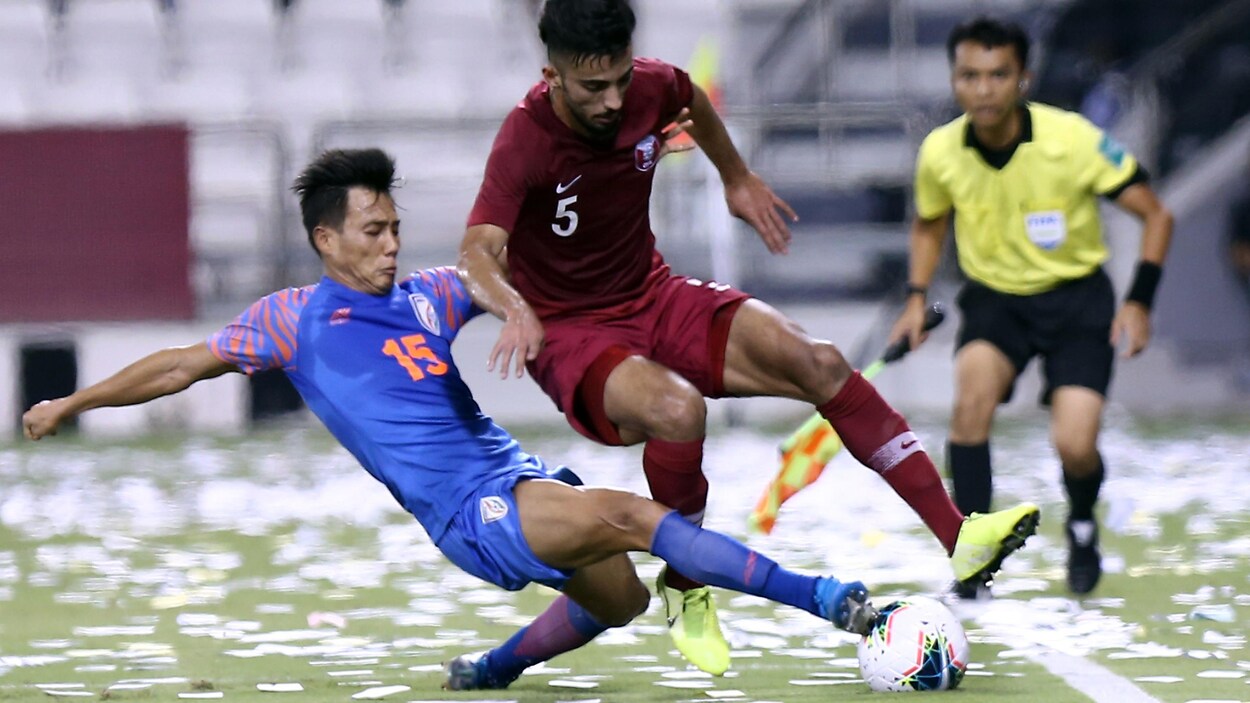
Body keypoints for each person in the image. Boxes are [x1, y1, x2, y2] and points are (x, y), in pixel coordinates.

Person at [21, 148, 885, 691]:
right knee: (630, 516)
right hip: (469, 513)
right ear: (327, 239)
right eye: (373, 231)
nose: (392, 244)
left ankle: (491, 668)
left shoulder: (430, 291)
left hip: (516, 478)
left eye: (396, 227)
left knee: (618, 598)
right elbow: (179, 364)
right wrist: (74, 401)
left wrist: (527, 281)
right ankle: (832, 599)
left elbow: (505, 267)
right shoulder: (291, 319)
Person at [457, 0, 1040, 673]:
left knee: (818, 362)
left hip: (651, 292)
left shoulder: (654, 85)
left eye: (621, 78)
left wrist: (736, 177)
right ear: (551, 75)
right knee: (678, 409)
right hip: (570, 334)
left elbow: (693, 100)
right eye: (595, 87)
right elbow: (477, 249)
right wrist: (512, 305)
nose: (615, 99)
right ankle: (686, 584)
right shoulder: (524, 138)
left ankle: (958, 534)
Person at [888, 18, 1174, 596]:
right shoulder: (940, 151)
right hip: (995, 303)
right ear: (955, 79)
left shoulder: (1072, 139)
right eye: (970, 76)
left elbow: (1156, 215)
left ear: (1024, 79)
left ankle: (1084, 523)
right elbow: (929, 224)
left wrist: (1139, 302)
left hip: (1076, 304)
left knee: (1074, 444)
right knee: (969, 406)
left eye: (999, 75)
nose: (984, 89)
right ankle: (973, 556)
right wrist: (916, 298)